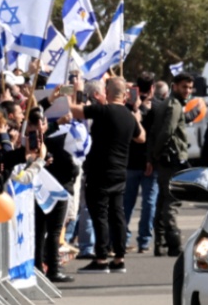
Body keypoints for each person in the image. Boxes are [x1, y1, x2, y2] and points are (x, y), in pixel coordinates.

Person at [62, 77, 145, 273]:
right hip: (119, 171)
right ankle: (119, 258)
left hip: (100, 171)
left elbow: (75, 110)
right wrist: (135, 114)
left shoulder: (103, 110)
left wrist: (77, 91)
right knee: (117, 214)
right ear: (124, 95)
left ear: (107, 92)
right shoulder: (128, 115)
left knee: (99, 214)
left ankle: (100, 259)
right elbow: (141, 137)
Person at [146, 73, 193, 256]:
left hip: (166, 159)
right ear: (174, 87)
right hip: (171, 160)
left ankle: (161, 242)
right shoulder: (174, 106)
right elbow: (166, 132)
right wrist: (157, 154)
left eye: (189, 88)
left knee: (163, 201)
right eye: (184, 87)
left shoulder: (170, 104)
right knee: (172, 201)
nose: (187, 91)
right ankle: (173, 242)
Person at [34, 107, 78, 282]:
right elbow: (71, 165)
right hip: (57, 188)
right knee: (53, 231)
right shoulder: (59, 139)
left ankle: (39, 266)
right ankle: (53, 268)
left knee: (42, 230)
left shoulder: (44, 139)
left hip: (46, 187)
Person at [122, 74, 158, 253]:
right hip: (144, 162)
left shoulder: (129, 106)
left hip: (134, 161)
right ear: (152, 87)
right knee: (148, 203)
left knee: (129, 203)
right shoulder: (152, 106)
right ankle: (141, 240)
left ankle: (127, 239)